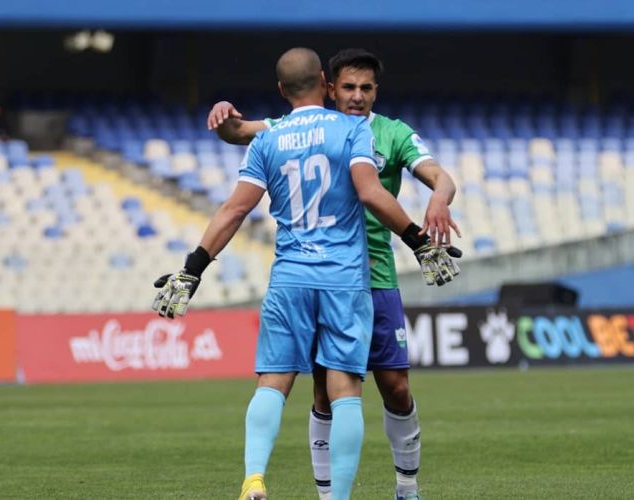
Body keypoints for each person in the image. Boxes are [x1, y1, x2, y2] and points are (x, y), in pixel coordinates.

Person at [153, 47, 457, 500]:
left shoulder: (302, 135)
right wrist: (418, 241)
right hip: (345, 277)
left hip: (309, 277)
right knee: (337, 390)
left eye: (365, 88)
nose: (356, 96)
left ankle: (259, 478)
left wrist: (191, 269)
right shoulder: (349, 130)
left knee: (367, 386)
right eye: (348, 87)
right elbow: (369, 191)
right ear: (327, 84)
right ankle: (331, 496)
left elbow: (236, 204)